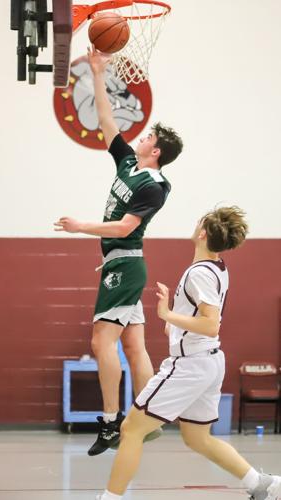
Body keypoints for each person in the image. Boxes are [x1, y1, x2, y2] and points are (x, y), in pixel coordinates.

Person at [96, 206, 281, 500]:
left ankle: (110, 498)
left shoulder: (199, 273)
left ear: (203, 232)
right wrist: (176, 325)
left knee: (131, 429)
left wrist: (167, 314)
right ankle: (262, 485)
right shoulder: (217, 266)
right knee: (198, 438)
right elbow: (203, 319)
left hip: (190, 365)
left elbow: (210, 324)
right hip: (207, 361)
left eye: (199, 222)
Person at [54, 47, 183, 456]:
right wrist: (96, 71)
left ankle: (112, 422)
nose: (142, 136)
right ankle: (148, 420)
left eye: (149, 137)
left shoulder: (155, 187)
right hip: (121, 264)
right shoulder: (129, 165)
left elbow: (126, 227)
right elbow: (107, 121)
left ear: (157, 151)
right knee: (134, 347)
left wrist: (81, 228)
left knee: (100, 343)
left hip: (125, 266)